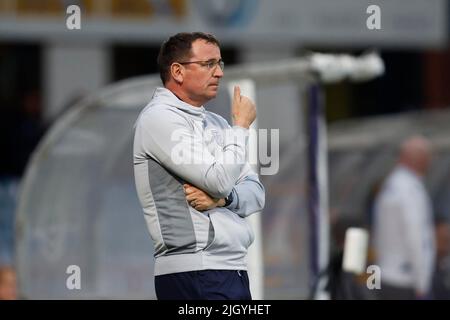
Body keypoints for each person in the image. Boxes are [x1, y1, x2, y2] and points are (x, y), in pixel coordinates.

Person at [133, 32, 265, 300]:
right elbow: (219, 180)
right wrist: (240, 128)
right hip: (195, 271)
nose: (218, 73)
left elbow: (256, 194)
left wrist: (223, 200)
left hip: (233, 270)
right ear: (178, 72)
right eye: (208, 64)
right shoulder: (159, 118)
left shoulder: (216, 122)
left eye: (220, 64)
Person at [372, 136, 435, 299]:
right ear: (418, 158)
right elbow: (416, 237)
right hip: (404, 278)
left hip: (385, 273)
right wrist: (422, 283)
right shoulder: (410, 190)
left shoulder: (391, 184)